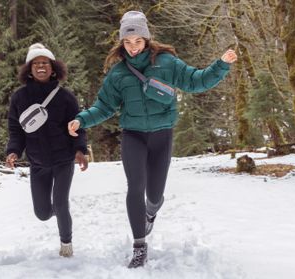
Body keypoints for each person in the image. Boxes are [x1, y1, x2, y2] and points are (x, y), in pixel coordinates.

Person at [68, 11, 237, 268]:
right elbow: (103, 107)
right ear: (121, 43)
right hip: (133, 136)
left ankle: (150, 211)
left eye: (137, 42)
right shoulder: (118, 74)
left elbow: (196, 81)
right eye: (128, 42)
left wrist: (221, 64)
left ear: (146, 39)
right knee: (135, 187)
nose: (133, 48)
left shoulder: (167, 63)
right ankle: (139, 246)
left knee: (155, 196)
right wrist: (81, 120)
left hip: (162, 135)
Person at [6, 43, 89, 258]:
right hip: (38, 163)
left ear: (53, 68)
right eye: (36, 63)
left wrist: (80, 150)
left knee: (61, 203)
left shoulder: (66, 97)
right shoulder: (19, 98)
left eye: (45, 63)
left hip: (63, 159)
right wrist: (13, 151)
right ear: (29, 69)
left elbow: (78, 127)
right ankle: (56, 212)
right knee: (42, 213)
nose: (41, 66)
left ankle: (66, 244)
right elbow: (16, 130)